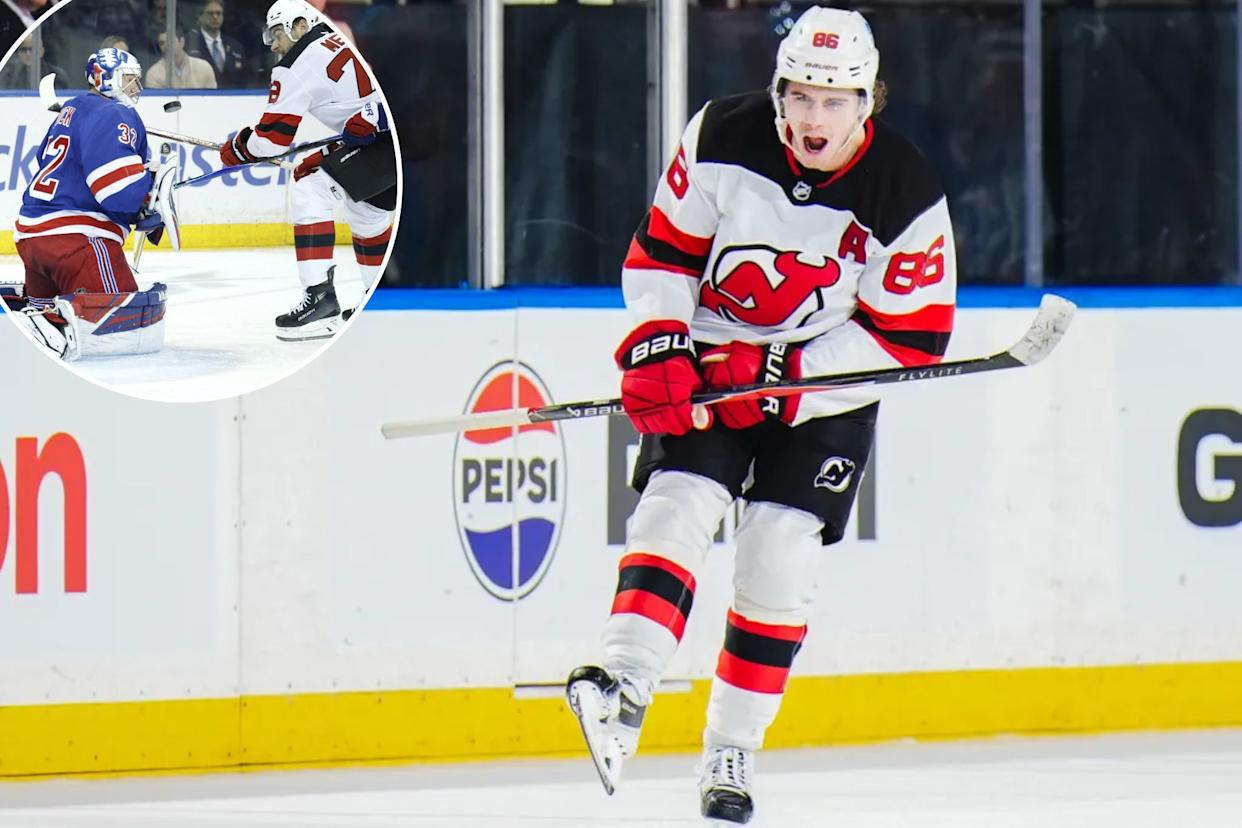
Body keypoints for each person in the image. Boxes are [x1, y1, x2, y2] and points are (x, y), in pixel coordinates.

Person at [565, 7, 957, 824]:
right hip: (713, 358)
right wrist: (658, 346)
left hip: (824, 391)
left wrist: (785, 372)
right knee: (678, 503)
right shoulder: (723, 134)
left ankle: (730, 748)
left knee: (779, 552)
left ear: (867, 101)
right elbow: (664, 253)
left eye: (835, 100)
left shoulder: (907, 190)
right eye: (802, 96)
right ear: (779, 91)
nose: (815, 118)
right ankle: (621, 683)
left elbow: (907, 338)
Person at [217, 0, 395, 341]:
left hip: (384, 147)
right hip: (394, 142)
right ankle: (375, 299)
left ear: (299, 25)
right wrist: (345, 139)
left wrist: (239, 149)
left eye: (276, 33)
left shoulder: (294, 64)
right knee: (366, 210)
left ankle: (319, 299)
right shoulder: (339, 35)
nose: (272, 44)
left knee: (308, 184)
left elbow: (271, 141)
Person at [11, 48, 169, 359]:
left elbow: (47, 160)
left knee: (43, 324)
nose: (135, 87)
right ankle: (52, 326)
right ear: (105, 78)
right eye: (128, 79)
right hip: (77, 241)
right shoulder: (117, 114)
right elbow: (114, 189)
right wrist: (143, 202)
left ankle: (41, 317)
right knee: (122, 324)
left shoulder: (71, 109)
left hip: (32, 239)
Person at [188, 0, 249, 88]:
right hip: (202, 98)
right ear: (200, 16)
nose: (215, 17)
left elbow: (244, 80)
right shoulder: (190, 44)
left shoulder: (236, 47)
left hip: (233, 99)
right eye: (210, 13)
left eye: (218, 13)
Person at [145, 26, 217, 89]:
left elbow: (213, 100)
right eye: (162, 43)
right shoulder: (153, 73)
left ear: (182, 42)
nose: (166, 46)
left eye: (170, 41)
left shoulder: (204, 67)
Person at [0, 35, 71, 91]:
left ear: (41, 51)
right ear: (18, 53)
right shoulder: (9, 75)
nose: (28, 53)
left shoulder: (57, 75)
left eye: (32, 49)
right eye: (23, 49)